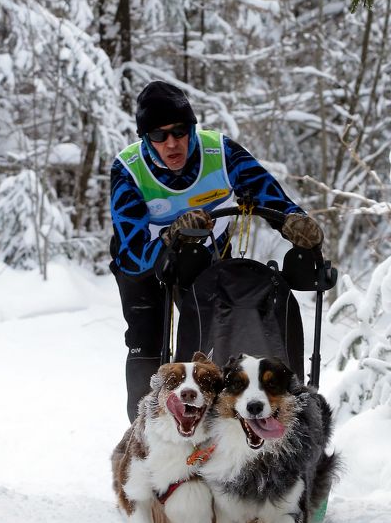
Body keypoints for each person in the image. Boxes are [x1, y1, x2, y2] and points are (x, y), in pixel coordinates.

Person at [110, 80, 323, 421]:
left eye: (180, 131)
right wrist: (170, 239)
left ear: (193, 129)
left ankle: (216, 423)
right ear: (145, 138)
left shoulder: (220, 153)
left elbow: (269, 196)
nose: (172, 143)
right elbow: (130, 254)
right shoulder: (129, 169)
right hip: (145, 262)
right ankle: (145, 431)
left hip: (203, 257)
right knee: (147, 343)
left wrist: (293, 223)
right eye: (159, 136)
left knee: (209, 338)